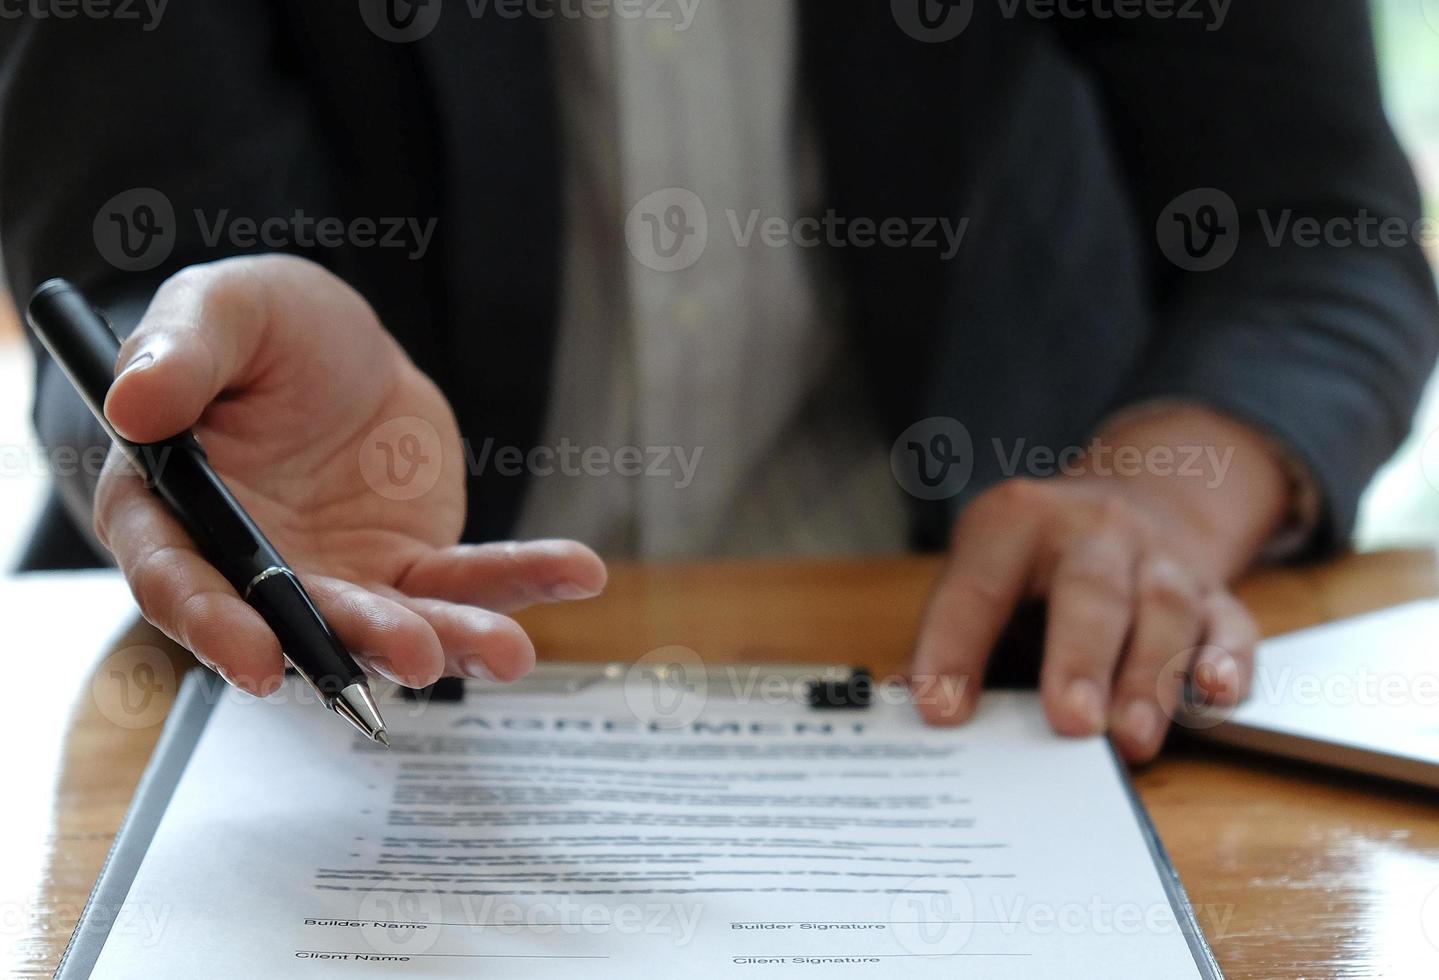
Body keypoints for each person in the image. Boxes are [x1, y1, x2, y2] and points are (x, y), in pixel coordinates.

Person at [1, 1, 1435, 763]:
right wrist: (197, 410)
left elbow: (1319, 235)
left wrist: (1162, 499)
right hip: (309, 653)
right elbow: (116, 275)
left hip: (961, 645)